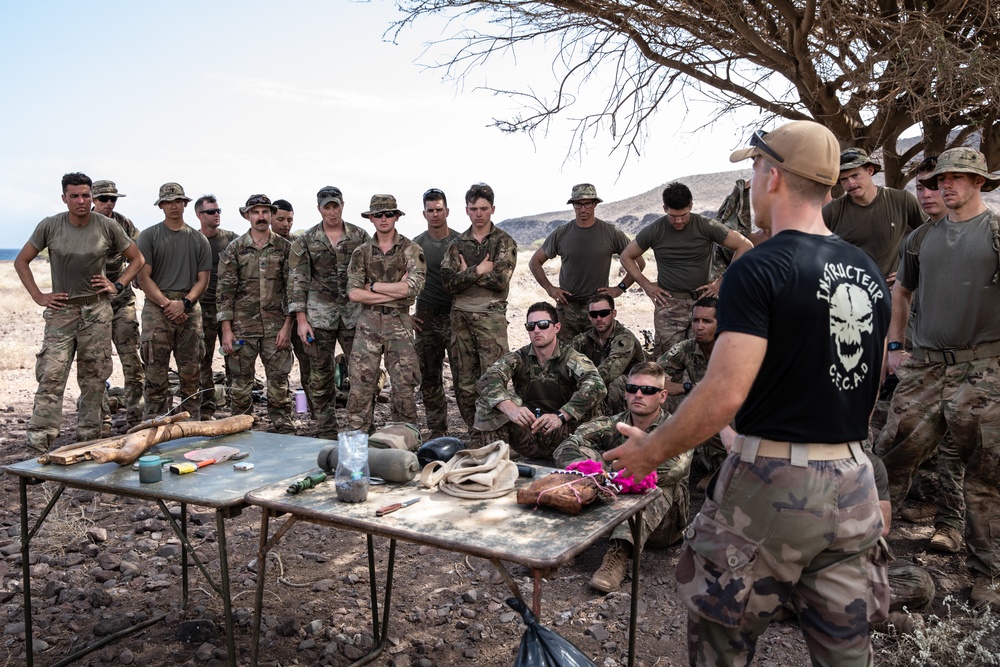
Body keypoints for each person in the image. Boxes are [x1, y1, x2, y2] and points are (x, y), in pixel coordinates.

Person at [606, 121, 891, 665]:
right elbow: (868, 377)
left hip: (772, 486)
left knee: (722, 640)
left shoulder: (759, 267)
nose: (751, 181)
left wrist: (650, 450)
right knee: (847, 653)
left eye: (754, 168)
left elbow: (723, 392)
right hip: (854, 483)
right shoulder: (867, 269)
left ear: (774, 176)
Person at [874, 147, 1000, 609]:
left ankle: (988, 575)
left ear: (979, 183)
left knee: (987, 474)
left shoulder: (995, 232)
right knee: (888, 458)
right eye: (940, 179)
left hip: (983, 368)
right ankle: (864, 557)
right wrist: (895, 346)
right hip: (924, 365)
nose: (945, 186)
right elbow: (902, 291)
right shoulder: (921, 237)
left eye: (958, 178)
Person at [15, 173, 144, 452]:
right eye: (75, 196)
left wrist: (117, 284)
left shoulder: (106, 226)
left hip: (97, 311)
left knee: (94, 378)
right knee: (51, 376)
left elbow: (137, 258)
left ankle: (88, 442)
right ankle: (39, 444)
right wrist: (39, 296)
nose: (81, 201)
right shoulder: (50, 225)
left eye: (86, 195)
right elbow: (21, 261)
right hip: (62, 312)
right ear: (64, 198)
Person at [554, 362, 692, 593]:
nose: (638, 395)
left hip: (665, 525)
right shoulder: (614, 423)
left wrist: (610, 477)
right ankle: (568, 542)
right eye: (632, 389)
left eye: (648, 390)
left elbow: (669, 471)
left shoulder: (677, 430)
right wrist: (596, 472)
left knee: (653, 485)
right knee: (585, 460)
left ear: (662, 396)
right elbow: (567, 445)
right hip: (614, 503)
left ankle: (617, 556)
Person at [619, 181, 753, 357]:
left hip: (703, 305)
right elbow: (625, 256)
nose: (679, 221)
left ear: (691, 205)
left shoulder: (706, 225)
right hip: (669, 305)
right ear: (664, 208)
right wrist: (647, 285)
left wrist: (721, 282)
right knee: (667, 361)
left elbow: (745, 245)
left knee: (704, 357)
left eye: (683, 214)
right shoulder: (655, 230)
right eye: (673, 216)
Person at [287, 186, 370, 439]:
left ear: (343, 205)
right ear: (319, 209)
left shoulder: (359, 235)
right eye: (327, 207)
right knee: (320, 376)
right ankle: (326, 430)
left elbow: (370, 273)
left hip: (353, 315)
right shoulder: (306, 240)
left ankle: (361, 427)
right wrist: (301, 321)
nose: (332, 211)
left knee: (361, 373)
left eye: (335, 206)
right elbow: (298, 280)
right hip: (318, 317)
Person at [474, 302, 606, 460]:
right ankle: (494, 464)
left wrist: (560, 416)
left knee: (592, 401)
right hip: (532, 434)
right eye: (531, 326)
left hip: (569, 437)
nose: (536, 330)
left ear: (556, 327)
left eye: (543, 325)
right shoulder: (519, 358)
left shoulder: (571, 358)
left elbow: (597, 385)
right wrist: (512, 409)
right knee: (489, 403)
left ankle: (589, 457)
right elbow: (487, 380)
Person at [345, 194, 426, 432]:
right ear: (370, 218)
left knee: (403, 384)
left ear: (396, 217)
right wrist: (395, 293)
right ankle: (358, 440)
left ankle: (403, 440)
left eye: (388, 214)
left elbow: (413, 287)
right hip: (368, 321)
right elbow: (353, 294)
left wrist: (372, 286)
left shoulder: (411, 250)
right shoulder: (361, 253)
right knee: (361, 384)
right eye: (378, 214)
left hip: (398, 323)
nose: (383, 219)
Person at [441, 183, 519, 430]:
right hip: (460, 317)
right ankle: (474, 431)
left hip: (491, 318)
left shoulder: (504, 242)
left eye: (483, 208)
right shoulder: (456, 245)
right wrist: (479, 269)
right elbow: (448, 283)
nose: (478, 213)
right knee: (464, 380)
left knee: (493, 378)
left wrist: (467, 273)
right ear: (466, 210)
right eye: (473, 208)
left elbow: (500, 280)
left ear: (492, 209)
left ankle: (496, 431)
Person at [216, 195, 295, 433]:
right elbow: (225, 292)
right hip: (242, 328)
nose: (260, 217)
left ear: (271, 215)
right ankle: (240, 425)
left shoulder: (285, 248)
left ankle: (282, 425)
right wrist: (227, 331)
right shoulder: (235, 249)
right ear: (246, 215)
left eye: (265, 212)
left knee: (279, 381)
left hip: (276, 328)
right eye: (255, 212)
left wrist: (287, 326)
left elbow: (293, 291)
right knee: (240, 384)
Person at [137, 183, 211, 421]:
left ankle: (191, 424)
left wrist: (185, 303)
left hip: (189, 307)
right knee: (155, 373)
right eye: (168, 202)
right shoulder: (149, 236)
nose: (174, 206)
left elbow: (203, 280)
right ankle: (155, 425)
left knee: (191, 373)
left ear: (185, 204)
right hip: (157, 308)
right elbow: (143, 276)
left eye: (178, 201)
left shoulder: (199, 239)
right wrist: (167, 304)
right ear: (161, 206)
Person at [529, 184, 642, 341]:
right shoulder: (561, 233)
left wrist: (619, 288)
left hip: (597, 310)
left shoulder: (611, 232)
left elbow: (639, 263)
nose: (583, 209)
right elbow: (535, 262)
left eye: (587, 203)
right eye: (578, 204)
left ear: (595, 204)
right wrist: (550, 289)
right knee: (563, 358)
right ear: (573, 205)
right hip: (567, 308)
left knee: (599, 358)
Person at [656, 297, 737, 486]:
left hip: (741, 415)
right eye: (695, 320)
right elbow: (651, 375)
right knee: (653, 395)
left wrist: (687, 388)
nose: (699, 327)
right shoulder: (688, 348)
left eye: (707, 321)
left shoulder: (734, 349)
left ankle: (729, 471)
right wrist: (678, 387)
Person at [823, 148, 926, 282]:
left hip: (891, 294)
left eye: (855, 175)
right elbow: (812, 250)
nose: (850, 183)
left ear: (870, 171)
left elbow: (929, 238)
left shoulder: (901, 200)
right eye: (844, 179)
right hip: (848, 293)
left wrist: (910, 270)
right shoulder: (832, 211)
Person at [91, 179, 144, 427]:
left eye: (113, 199)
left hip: (121, 299)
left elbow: (140, 253)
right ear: (93, 199)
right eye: (104, 199)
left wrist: (133, 280)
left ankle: (135, 417)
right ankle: (103, 421)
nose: (109, 204)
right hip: (93, 303)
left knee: (132, 360)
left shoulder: (123, 223)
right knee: (97, 364)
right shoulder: (82, 223)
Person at [413, 188, 461, 438]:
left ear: (447, 211)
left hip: (456, 314)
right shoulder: (416, 245)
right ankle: (437, 428)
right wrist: (406, 314)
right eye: (430, 210)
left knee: (463, 375)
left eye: (439, 209)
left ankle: (472, 428)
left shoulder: (461, 241)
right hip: (426, 315)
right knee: (429, 375)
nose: (435, 214)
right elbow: (402, 282)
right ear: (424, 213)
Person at [195, 195, 238, 420]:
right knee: (203, 359)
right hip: (202, 308)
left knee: (235, 358)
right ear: (199, 215)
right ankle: (206, 408)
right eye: (211, 212)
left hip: (229, 310)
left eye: (218, 210)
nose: (216, 214)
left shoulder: (231, 240)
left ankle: (236, 406)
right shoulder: (192, 240)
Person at [570, 294, 645, 413]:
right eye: (594, 314)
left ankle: (617, 424)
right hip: (597, 383)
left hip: (635, 388)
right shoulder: (584, 339)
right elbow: (566, 360)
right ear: (589, 317)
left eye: (604, 313)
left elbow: (610, 370)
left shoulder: (625, 339)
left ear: (614, 313)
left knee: (614, 383)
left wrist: (583, 384)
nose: (599, 318)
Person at [270, 198, 310, 411]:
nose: (286, 224)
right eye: (281, 219)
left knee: (310, 365)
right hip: (275, 318)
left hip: (301, 316)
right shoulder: (263, 245)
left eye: (290, 220)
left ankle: (313, 410)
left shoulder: (299, 245)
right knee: (279, 369)